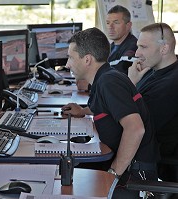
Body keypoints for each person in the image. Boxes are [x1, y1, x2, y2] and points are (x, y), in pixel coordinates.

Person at [63, 28, 159, 198]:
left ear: (87, 60)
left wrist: (112, 174)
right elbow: (109, 107)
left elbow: (136, 129)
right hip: (124, 166)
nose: (67, 64)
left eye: (71, 57)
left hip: (134, 174)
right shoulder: (105, 77)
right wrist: (83, 110)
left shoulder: (109, 82)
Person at [128, 22, 178, 182]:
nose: (137, 53)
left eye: (143, 47)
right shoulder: (153, 71)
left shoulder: (170, 84)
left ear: (164, 49)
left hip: (154, 164)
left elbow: (135, 123)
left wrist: (131, 84)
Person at [106, 5, 138, 74]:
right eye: (108, 23)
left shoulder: (134, 47)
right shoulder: (110, 47)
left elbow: (119, 74)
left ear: (128, 25)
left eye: (116, 22)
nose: (110, 27)